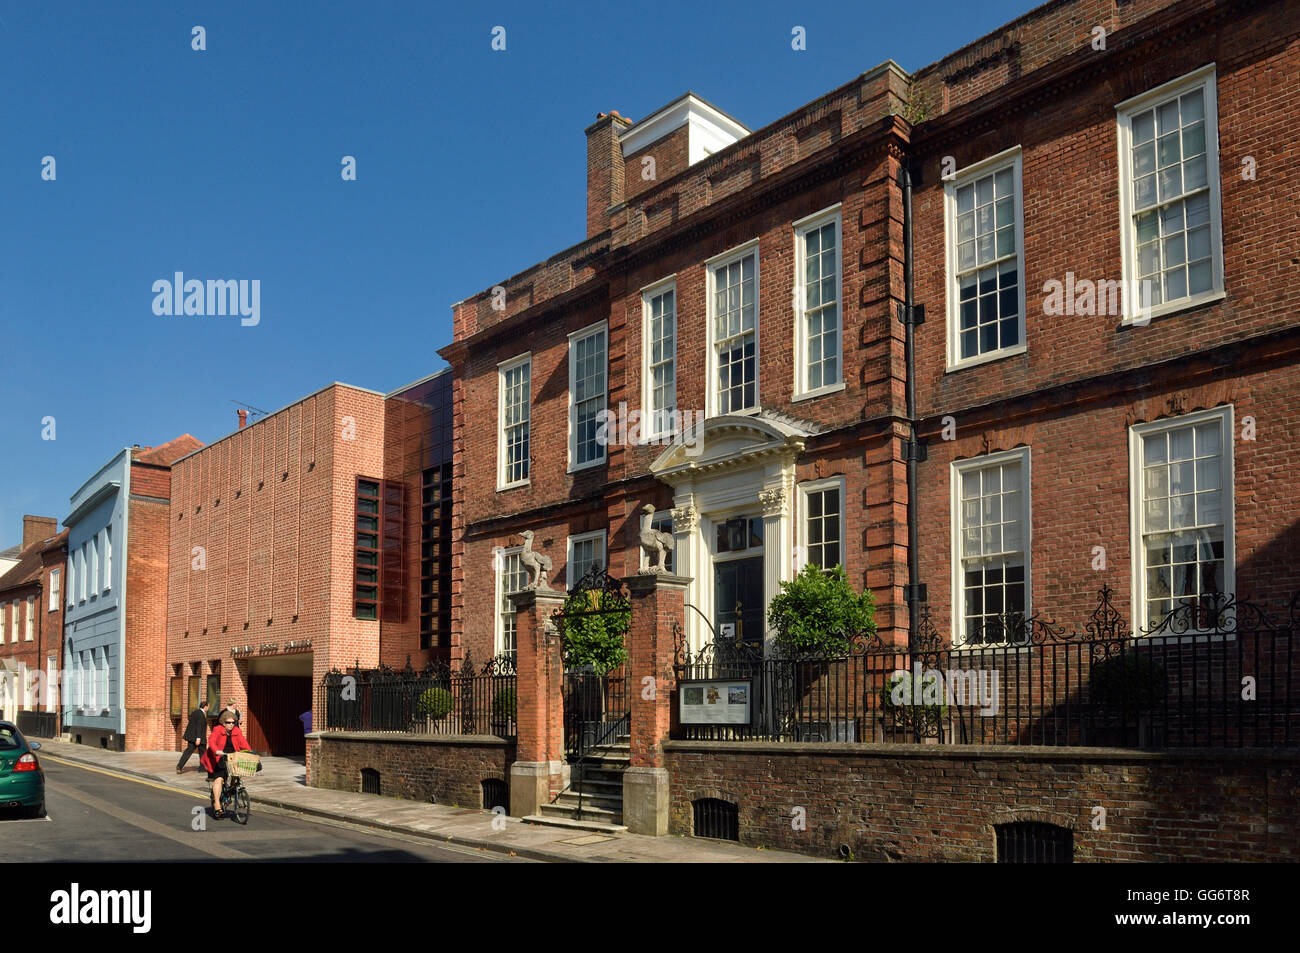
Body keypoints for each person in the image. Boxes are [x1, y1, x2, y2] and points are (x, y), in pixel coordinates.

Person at [201, 711, 250, 817]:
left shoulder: (237, 731)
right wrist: (216, 751)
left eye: (233, 722)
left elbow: (243, 743)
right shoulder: (217, 730)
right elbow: (212, 741)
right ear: (223, 723)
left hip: (231, 756)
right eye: (228, 722)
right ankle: (217, 804)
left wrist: (250, 753)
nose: (231, 724)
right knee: (219, 779)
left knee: (236, 774)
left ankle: (231, 791)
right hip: (217, 758)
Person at [176, 698, 210, 773]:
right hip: (198, 738)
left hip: (192, 737)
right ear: (205, 706)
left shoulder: (195, 712)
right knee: (203, 753)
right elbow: (199, 726)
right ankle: (202, 768)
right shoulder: (201, 714)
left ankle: (179, 766)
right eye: (208, 707)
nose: (208, 708)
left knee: (188, 751)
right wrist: (198, 738)